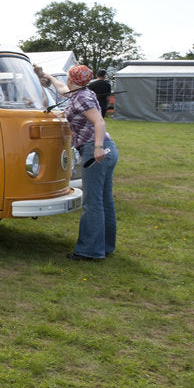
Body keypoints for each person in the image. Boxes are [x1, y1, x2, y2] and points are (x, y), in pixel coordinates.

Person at [41, 64, 118, 260]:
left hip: (96, 151)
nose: (66, 79)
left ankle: (89, 251)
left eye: (68, 77)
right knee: (105, 201)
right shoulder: (82, 92)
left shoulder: (82, 98)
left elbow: (99, 121)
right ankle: (106, 246)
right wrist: (45, 75)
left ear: (73, 79)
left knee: (92, 203)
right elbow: (60, 88)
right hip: (109, 150)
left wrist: (97, 147)